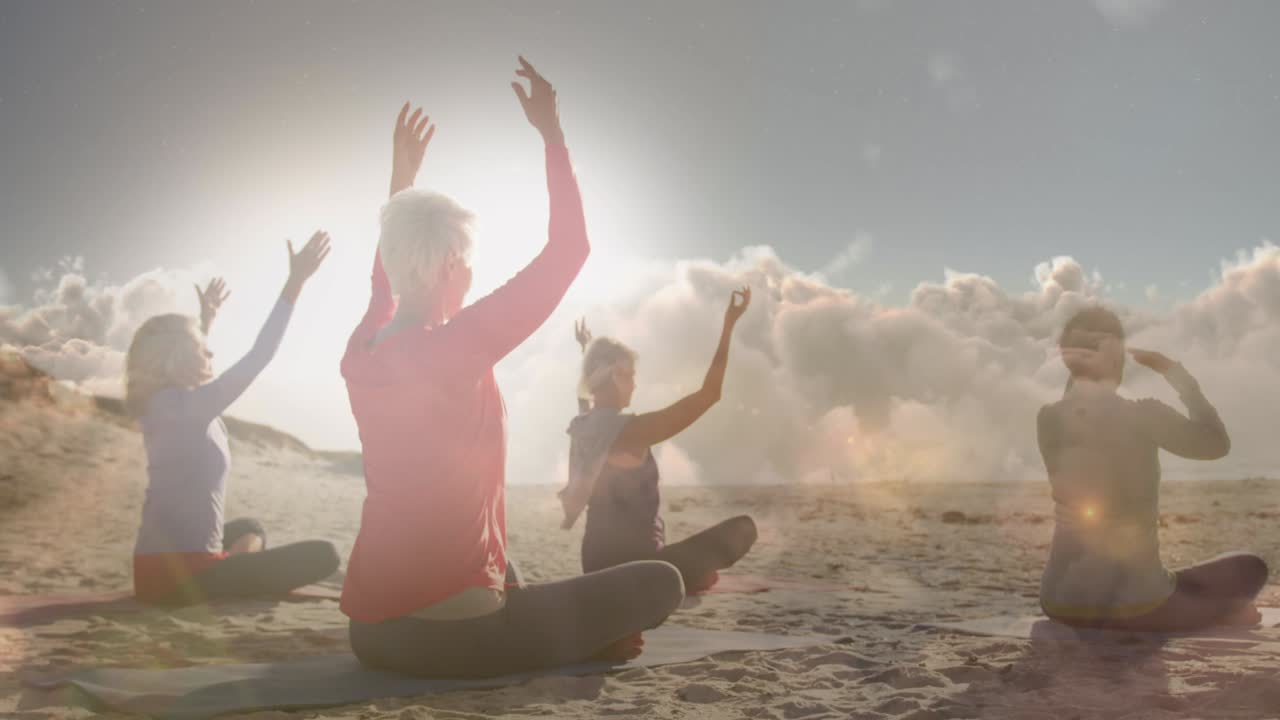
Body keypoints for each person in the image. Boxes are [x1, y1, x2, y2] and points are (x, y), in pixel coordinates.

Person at [340, 57, 684, 679]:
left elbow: (383, 278)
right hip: (451, 638)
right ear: (448, 266)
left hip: (369, 632)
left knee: (512, 569)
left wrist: (403, 183)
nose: (472, 275)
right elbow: (569, 249)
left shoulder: (363, 345)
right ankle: (569, 641)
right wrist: (552, 134)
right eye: (467, 263)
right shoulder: (460, 346)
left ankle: (553, 628)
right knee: (660, 584)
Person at [128, 236, 341, 606]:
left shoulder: (169, 405)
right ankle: (235, 577)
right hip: (183, 579)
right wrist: (295, 283)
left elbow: (192, 373)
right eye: (201, 349)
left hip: (156, 570)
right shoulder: (187, 409)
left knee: (250, 529)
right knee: (326, 555)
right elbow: (261, 354)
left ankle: (235, 571)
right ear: (177, 358)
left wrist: (205, 321)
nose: (209, 353)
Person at [1037, 305, 1267, 631]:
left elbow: (1077, 404)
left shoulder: (1048, 419)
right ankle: (1222, 614)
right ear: (1118, 360)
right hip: (1133, 606)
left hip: (1059, 602)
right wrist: (1175, 373)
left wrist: (1080, 359)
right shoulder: (1144, 416)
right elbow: (1217, 445)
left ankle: (1212, 609)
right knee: (1251, 566)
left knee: (1176, 580)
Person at [560, 290, 758, 594]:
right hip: (640, 571)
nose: (635, 384)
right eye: (630, 376)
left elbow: (587, 398)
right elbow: (709, 394)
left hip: (594, 564)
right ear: (614, 377)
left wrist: (586, 349)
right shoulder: (633, 432)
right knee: (743, 528)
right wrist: (729, 325)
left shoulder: (583, 427)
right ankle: (682, 583)